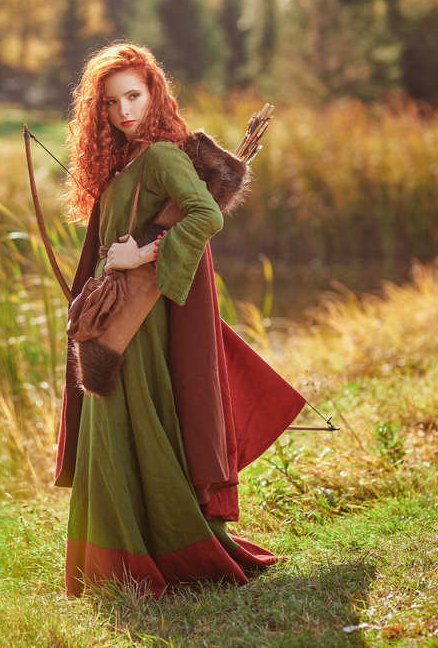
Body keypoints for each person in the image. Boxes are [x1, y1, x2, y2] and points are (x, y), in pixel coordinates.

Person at [56, 43, 306, 597]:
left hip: (142, 320)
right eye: (112, 102)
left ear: (154, 94)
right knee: (112, 425)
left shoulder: (164, 155)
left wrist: (140, 256)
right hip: (122, 312)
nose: (124, 111)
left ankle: (150, 553)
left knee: (129, 421)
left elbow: (207, 213)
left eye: (134, 96)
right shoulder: (123, 163)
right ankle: (119, 555)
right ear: (98, 111)